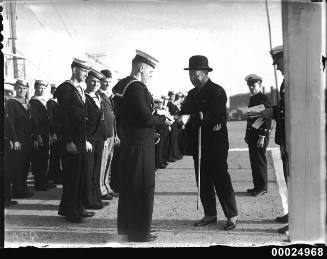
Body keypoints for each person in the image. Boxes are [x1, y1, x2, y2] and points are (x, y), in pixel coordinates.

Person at [113, 50, 169, 242]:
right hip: (140, 146)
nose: (150, 76)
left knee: (130, 188)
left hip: (132, 142)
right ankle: (140, 233)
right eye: (150, 71)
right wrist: (164, 119)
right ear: (141, 67)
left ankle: (129, 229)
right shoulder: (137, 87)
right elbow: (145, 117)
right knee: (143, 187)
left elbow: (132, 117)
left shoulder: (123, 85)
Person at [177, 55, 238, 230]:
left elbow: (217, 116)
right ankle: (210, 214)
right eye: (190, 75)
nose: (192, 78)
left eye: (195, 74)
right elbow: (184, 113)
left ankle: (232, 215)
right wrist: (181, 118)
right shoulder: (191, 94)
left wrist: (193, 117)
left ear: (205, 73)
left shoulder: (216, 91)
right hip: (198, 144)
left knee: (221, 180)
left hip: (215, 144)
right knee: (202, 180)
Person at [56, 58, 95, 223]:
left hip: (80, 139)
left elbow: (82, 118)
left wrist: (85, 139)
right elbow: (62, 117)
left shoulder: (79, 89)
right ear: (74, 70)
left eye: (87, 71)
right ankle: (72, 212)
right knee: (72, 177)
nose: (86, 74)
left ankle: (75, 207)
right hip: (70, 140)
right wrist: (68, 141)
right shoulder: (66, 88)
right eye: (83, 71)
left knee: (79, 175)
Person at [260, 45, 289, 234]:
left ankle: (300, 218)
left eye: (277, 62)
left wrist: (274, 111)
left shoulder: (294, 79)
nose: (276, 67)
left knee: (294, 177)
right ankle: (294, 213)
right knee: (288, 177)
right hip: (286, 137)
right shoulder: (286, 82)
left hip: (294, 137)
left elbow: (292, 108)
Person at [83, 68, 110, 209]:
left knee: (96, 170)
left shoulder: (98, 97)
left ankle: (95, 198)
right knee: (88, 170)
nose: (95, 84)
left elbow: (102, 120)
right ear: (86, 81)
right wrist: (85, 139)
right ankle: (88, 200)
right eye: (92, 81)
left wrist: (105, 138)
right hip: (89, 139)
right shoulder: (84, 97)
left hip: (100, 138)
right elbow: (81, 121)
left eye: (97, 82)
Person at [244, 74, 272, 196]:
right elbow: (252, 118)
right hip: (253, 135)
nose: (251, 87)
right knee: (254, 161)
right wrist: (247, 135)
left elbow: (266, 118)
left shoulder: (262, 98)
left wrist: (262, 136)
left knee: (259, 161)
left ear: (260, 85)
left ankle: (262, 188)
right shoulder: (253, 98)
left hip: (260, 136)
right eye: (249, 85)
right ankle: (257, 186)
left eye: (253, 85)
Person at [6, 79, 34, 199]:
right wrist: (14, 139)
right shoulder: (11, 102)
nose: (22, 90)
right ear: (15, 89)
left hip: (28, 139)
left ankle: (23, 188)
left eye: (24, 88)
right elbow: (9, 122)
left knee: (25, 165)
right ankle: (17, 190)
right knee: (18, 165)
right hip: (18, 140)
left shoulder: (27, 102)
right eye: (19, 88)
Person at [97, 69, 119, 200]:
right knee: (102, 163)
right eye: (104, 81)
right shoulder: (98, 95)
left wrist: (115, 134)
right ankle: (101, 189)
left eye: (109, 82)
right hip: (104, 135)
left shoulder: (107, 96)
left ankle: (107, 186)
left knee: (109, 161)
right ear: (100, 81)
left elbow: (113, 117)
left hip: (111, 134)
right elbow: (101, 118)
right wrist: (104, 135)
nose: (107, 84)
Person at [29, 80, 55, 191]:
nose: (42, 90)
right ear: (35, 88)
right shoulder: (34, 102)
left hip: (45, 134)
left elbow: (47, 120)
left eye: (44, 88)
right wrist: (37, 135)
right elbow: (34, 121)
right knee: (39, 159)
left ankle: (43, 181)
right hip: (39, 135)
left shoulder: (43, 101)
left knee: (44, 158)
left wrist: (49, 133)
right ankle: (39, 184)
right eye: (40, 87)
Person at [47, 84, 63, 184]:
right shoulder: (51, 103)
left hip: (60, 133)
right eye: (54, 90)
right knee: (54, 155)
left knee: (57, 155)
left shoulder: (59, 103)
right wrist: (53, 132)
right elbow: (51, 118)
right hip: (55, 133)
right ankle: (53, 175)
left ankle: (56, 174)